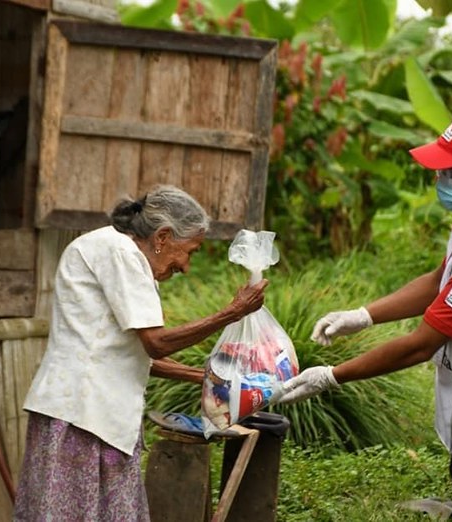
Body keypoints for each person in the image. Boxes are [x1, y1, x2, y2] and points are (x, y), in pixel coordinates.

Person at [276, 113, 452, 522]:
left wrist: (332, 375)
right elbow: (439, 280)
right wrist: (363, 315)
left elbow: (421, 344)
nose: (442, 179)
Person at [13, 185, 268, 521]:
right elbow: (156, 343)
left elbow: (128, 352)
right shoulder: (120, 253)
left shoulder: (124, 255)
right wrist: (231, 313)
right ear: (162, 236)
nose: (187, 266)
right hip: (81, 416)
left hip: (92, 415)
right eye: (189, 251)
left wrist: (206, 378)